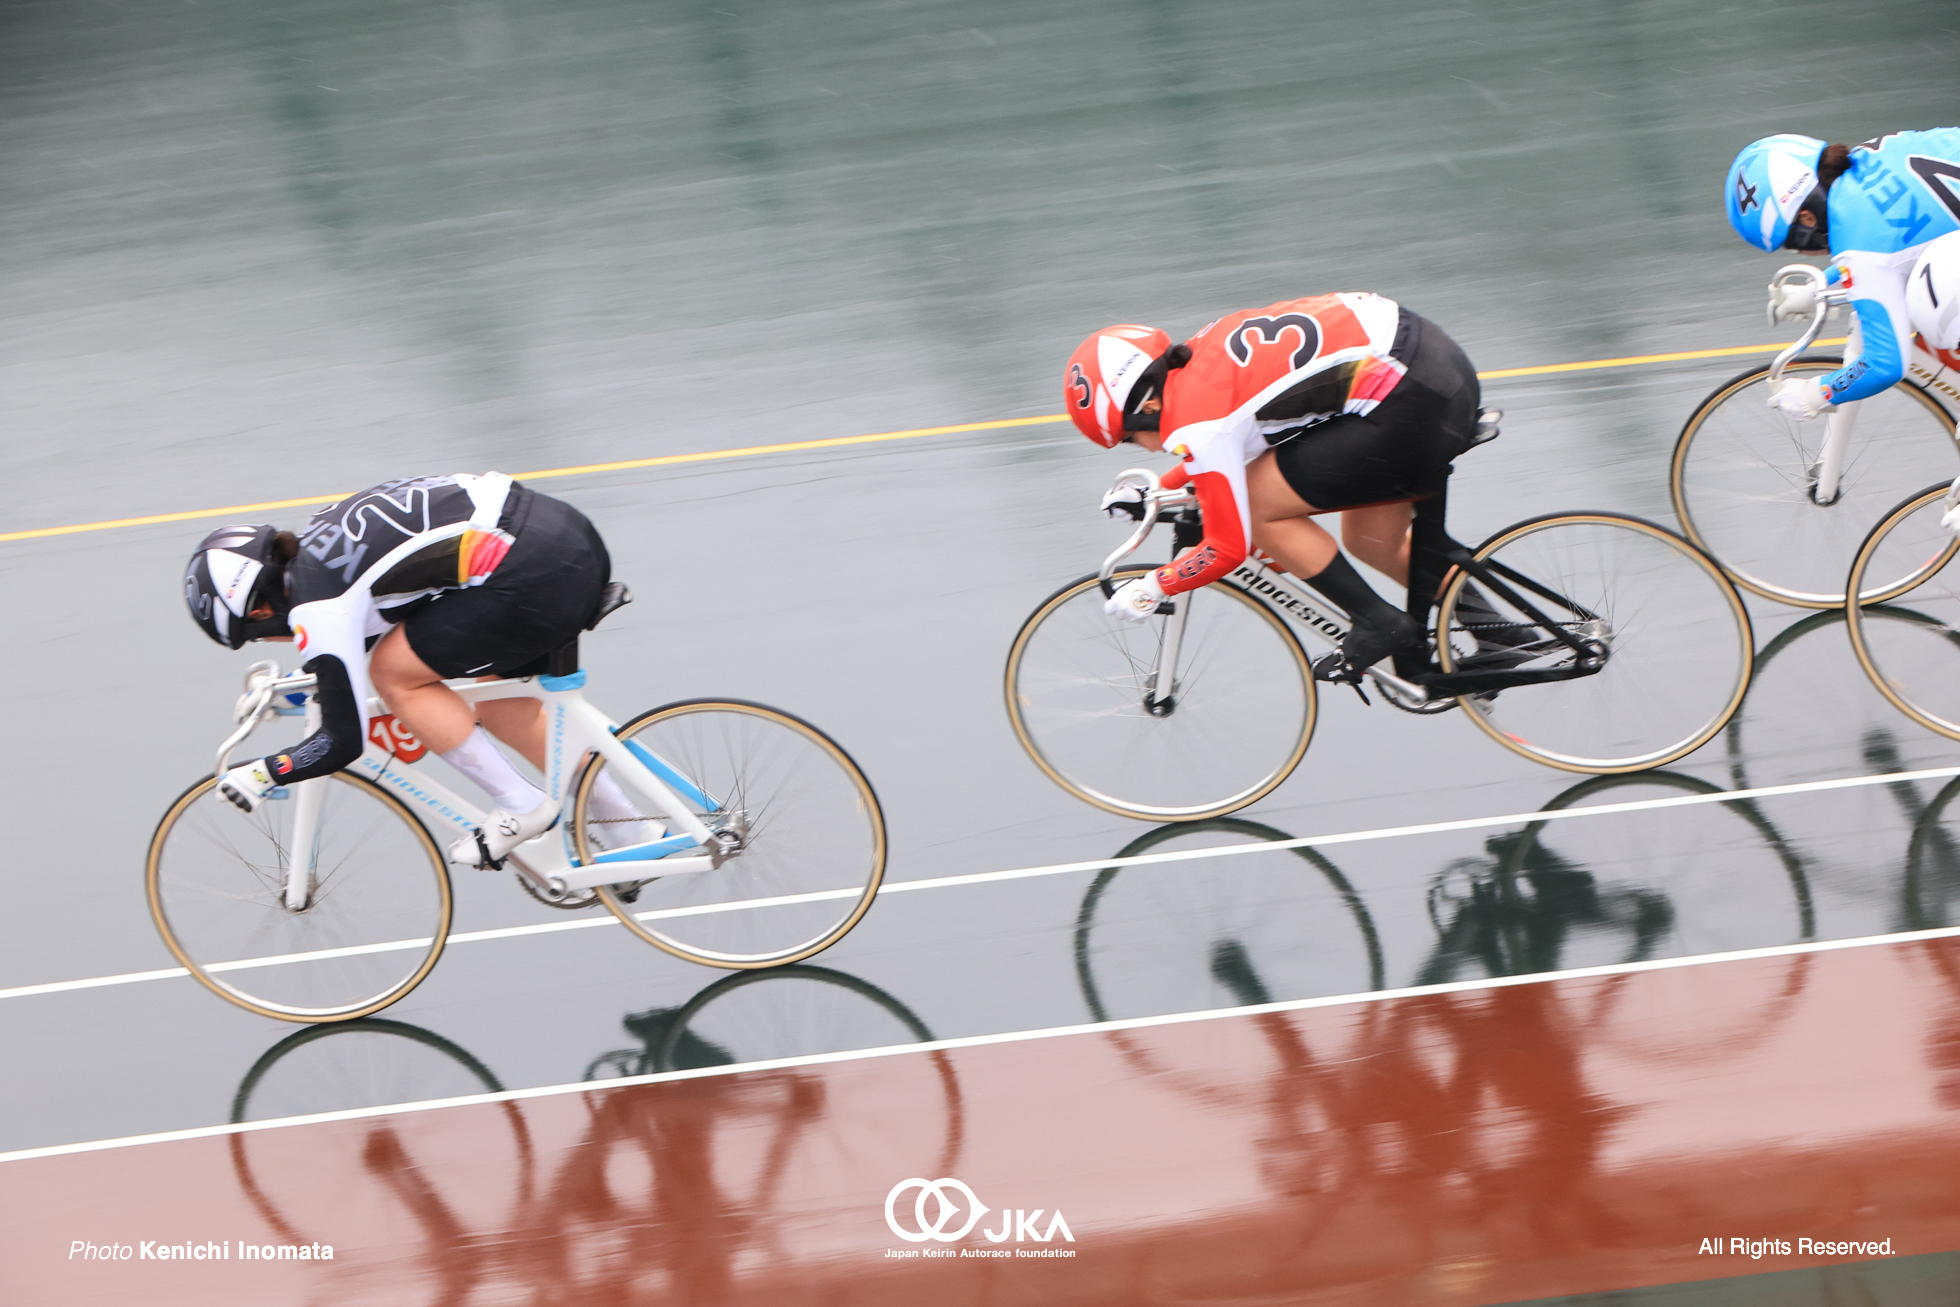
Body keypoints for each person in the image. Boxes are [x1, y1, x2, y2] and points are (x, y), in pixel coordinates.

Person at [182, 472, 638, 867]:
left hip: (529, 573)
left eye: (258, 636)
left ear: (261, 611)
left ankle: (521, 806)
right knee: (502, 709)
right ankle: (630, 829)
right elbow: (367, 629)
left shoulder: (314, 607)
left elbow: (343, 741)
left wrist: (266, 772)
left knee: (393, 673)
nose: (284, 643)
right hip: (561, 536)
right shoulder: (320, 541)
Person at [1063, 293, 1508, 680]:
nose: (1139, 448)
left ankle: (1378, 622)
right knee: (1371, 541)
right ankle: (1504, 635)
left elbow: (1227, 548)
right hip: (1427, 368)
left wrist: (1153, 588)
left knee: (1255, 509)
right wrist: (1157, 491)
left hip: (1411, 398)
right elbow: (1220, 450)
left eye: (1128, 437)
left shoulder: (1199, 423)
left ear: (1148, 405)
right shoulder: (1195, 368)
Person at [1724, 131, 1960, 420]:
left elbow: (1886, 365)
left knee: (1936, 296)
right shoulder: (1863, 160)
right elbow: (1889, 240)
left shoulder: (1860, 250)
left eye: (1793, 245)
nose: (1802, 253)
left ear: (1807, 221)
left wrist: (1817, 393)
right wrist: (1819, 287)